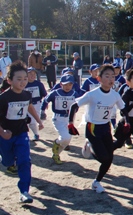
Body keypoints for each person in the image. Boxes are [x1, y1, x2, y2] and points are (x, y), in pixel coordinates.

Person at [68, 64, 127, 193]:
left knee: (110, 157)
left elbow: (124, 110)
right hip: (93, 127)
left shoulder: (115, 95)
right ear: (99, 78)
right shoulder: (92, 94)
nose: (111, 79)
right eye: (107, 76)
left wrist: (127, 122)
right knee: (104, 157)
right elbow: (73, 106)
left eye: (113, 76)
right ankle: (88, 145)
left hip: (106, 127)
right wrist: (70, 123)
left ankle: (97, 182)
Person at [0, 60, 44, 203]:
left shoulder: (26, 95)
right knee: (7, 161)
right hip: (5, 135)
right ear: (9, 80)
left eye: (25, 79)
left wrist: (38, 120)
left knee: (25, 160)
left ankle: (24, 191)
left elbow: (29, 107)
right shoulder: (3, 98)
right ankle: (7, 162)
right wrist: (2, 132)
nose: (23, 82)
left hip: (21, 133)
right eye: (19, 79)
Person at [41, 74, 80, 164]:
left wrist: (75, 111)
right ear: (61, 84)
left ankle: (56, 154)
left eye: (70, 85)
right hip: (58, 118)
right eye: (65, 85)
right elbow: (46, 100)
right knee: (65, 137)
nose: (67, 87)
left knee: (68, 139)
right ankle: (57, 142)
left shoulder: (74, 94)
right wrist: (42, 111)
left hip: (69, 119)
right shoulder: (55, 93)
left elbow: (77, 105)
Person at [24, 67, 47, 141]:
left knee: (38, 119)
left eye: (34, 74)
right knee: (31, 121)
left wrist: (45, 104)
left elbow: (44, 94)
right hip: (27, 105)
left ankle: (37, 128)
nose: (32, 75)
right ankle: (36, 134)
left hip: (37, 104)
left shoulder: (39, 84)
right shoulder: (24, 84)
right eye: (30, 74)